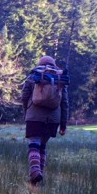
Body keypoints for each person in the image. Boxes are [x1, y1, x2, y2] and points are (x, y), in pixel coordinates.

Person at [19, 55, 69, 184]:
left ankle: (35, 172)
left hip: (34, 117)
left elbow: (24, 96)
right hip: (53, 119)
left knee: (34, 144)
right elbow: (64, 103)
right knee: (43, 146)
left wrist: (27, 111)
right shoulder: (60, 79)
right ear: (54, 64)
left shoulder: (34, 75)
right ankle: (37, 177)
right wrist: (63, 124)